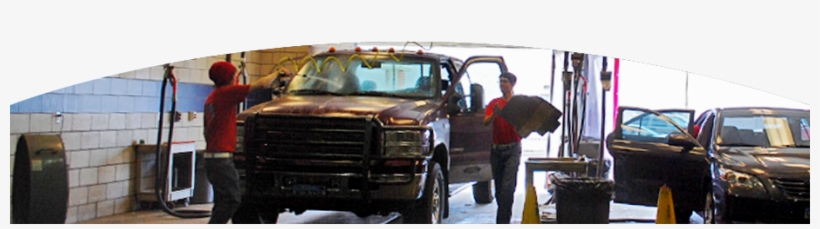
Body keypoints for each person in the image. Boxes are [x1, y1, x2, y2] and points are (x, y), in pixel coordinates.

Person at [202, 61, 279, 224]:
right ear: (229, 77)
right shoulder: (226, 94)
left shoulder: (212, 97)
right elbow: (261, 84)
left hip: (212, 157)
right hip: (221, 159)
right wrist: (278, 73)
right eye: (235, 75)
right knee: (232, 199)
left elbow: (206, 130)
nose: (237, 78)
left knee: (222, 201)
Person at [482, 72, 523, 224]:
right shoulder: (494, 103)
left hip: (513, 149)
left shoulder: (518, 104)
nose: (502, 84)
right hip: (497, 150)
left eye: (505, 81)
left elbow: (526, 124)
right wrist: (495, 114)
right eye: (500, 81)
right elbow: (485, 122)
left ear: (512, 84)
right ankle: (503, 217)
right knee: (499, 189)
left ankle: (502, 222)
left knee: (507, 188)